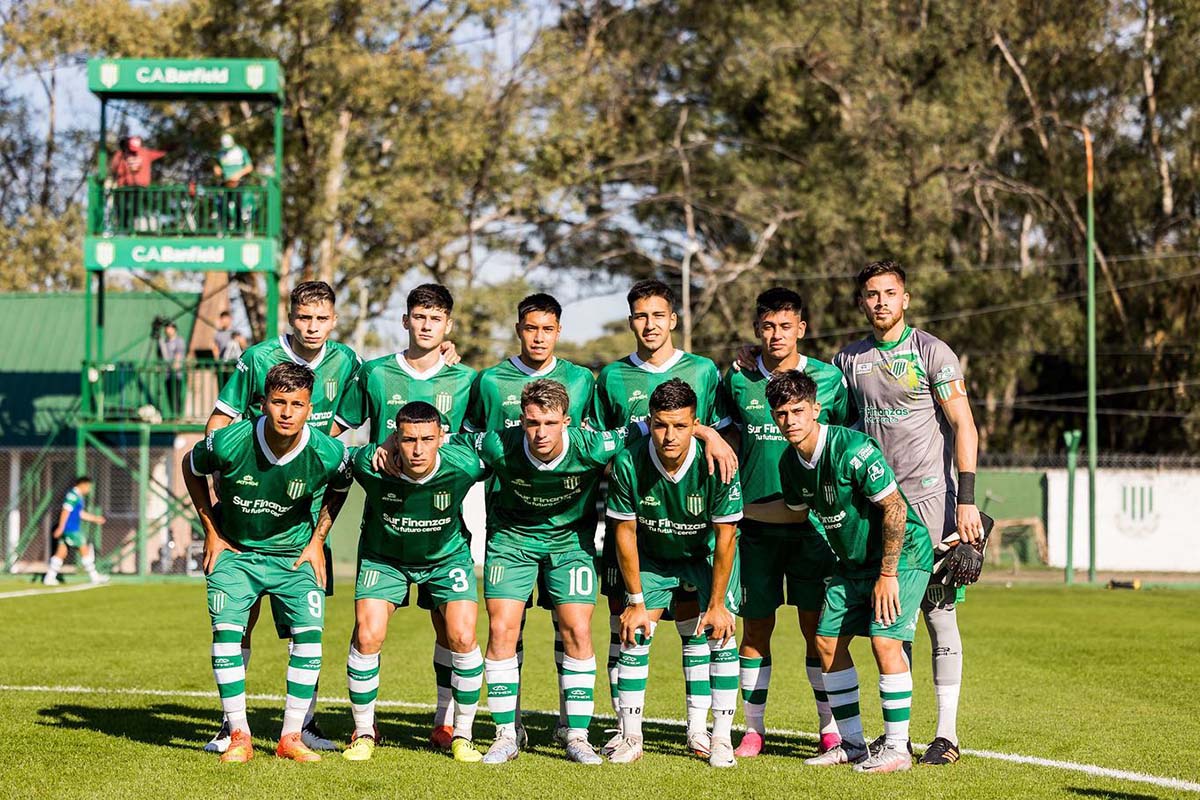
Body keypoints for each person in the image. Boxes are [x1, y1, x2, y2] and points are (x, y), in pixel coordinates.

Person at [831, 260, 984, 766]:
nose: (880, 302)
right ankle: (898, 735)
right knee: (890, 617)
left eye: (889, 293)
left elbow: (963, 425)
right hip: (877, 507)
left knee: (939, 614)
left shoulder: (931, 351)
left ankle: (947, 734)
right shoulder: (847, 359)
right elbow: (822, 411)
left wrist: (966, 499)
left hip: (931, 504)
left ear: (906, 299)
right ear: (861, 302)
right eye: (871, 294)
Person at [203, 280, 361, 754]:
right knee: (239, 618)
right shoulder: (256, 359)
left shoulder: (348, 362)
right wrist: (227, 494)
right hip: (252, 502)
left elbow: (344, 430)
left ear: (334, 320)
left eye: (321, 319)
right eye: (304, 318)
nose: (312, 327)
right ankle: (229, 725)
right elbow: (218, 422)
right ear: (291, 318)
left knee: (303, 627)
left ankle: (303, 726)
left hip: (309, 513)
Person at [756, 370, 932, 773]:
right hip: (851, 562)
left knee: (884, 644)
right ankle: (852, 744)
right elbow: (792, 512)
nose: (790, 420)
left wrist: (887, 575)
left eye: (798, 411)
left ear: (816, 409)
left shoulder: (853, 448)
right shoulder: (789, 463)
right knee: (827, 643)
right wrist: (732, 512)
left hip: (901, 555)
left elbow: (895, 508)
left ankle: (898, 748)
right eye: (781, 414)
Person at [590, 278, 734, 758]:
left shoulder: (704, 371)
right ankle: (627, 731)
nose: (649, 325)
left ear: (673, 319)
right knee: (626, 620)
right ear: (631, 321)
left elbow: (720, 428)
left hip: (695, 520)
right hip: (640, 516)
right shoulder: (611, 377)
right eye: (640, 316)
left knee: (704, 622)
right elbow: (600, 439)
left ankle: (708, 732)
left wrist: (710, 436)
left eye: (658, 315)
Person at [183, 362, 353, 764]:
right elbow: (190, 468)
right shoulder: (228, 442)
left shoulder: (327, 451)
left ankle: (291, 736)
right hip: (236, 552)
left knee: (309, 639)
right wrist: (212, 531)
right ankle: (238, 734)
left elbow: (341, 485)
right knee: (227, 634)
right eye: (279, 402)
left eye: (297, 404)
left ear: (311, 408)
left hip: (294, 556)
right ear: (263, 404)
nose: (287, 412)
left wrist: (317, 542)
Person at [334, 283, 476, 752]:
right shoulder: (374, 374)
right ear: (406, 320)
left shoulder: (466, 380)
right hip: (386, 529)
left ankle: (447, 722)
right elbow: (337, 431)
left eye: (436, 319)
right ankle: (363, 729)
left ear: (448, 325)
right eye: (419, 317)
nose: (427, 325)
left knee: (453, 630)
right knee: (368, 632)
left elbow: (480, 447)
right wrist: (372, 449)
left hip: (441, 534)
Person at [720, 287, 850, 758]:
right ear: (758, 330)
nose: (776, 335)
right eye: (768, 327)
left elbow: (844, 442)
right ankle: (753, 729)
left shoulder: (829, 380)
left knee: (818, 630)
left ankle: (830, 728)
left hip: (813, 530)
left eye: (785, 326)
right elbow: (722, 433)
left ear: (802, 328)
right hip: (754, 530)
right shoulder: (736, 379)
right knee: (755, 630)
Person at [463, 292, 596, 745]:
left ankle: (572, 732)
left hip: (570, 534)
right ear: (518, 329)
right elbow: (466, 444)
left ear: (559, 331)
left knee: (575, 627)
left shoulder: (583, 380)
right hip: (509, 531)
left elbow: (609, 439)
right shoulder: (488, 381)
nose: (538, 337)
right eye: (530, 327)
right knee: (504, 628)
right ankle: (507, 731)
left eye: (547, 329)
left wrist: (703, 432)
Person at [606, 379, 744, 769]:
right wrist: (634, 602)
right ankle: (630, 737)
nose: (670, 435)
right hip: (654, 557)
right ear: (650, 421)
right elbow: (625, 533)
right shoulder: (629, 462)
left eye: (681, 426)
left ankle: (716, 737)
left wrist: (717, 605)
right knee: (632, 632)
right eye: (662, 424)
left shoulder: (717, 462)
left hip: (705, 556)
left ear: (695, 423)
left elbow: (726, 538)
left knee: (718, 633)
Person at [341, 402, 488, 764]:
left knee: (462, 636)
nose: (418, 449)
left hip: (446, 558)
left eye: (427, 439)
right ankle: (363, 732)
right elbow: (329, 455)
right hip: (385, 558)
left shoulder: (464, 465)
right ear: (395, 438)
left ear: (441, 438)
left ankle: (460, 732)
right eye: (408, 440)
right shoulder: (370, 465)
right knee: (367, 634)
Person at [42, 476, 108, 586]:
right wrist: (61, 527)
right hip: (71, 529)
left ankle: (49, 577)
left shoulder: (78, 496)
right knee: (84, 549)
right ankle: (94, 577)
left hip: (69, 528)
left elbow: (80, 514)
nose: (89, 489)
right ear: (83, 484)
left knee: (61, 553)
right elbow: (65, 511)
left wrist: (95, 519)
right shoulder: (72, 495)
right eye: (88, 487)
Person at [108, 135, 167, 232]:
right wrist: (121, 153)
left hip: (141, 189)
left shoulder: (145, 153)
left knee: (140, 210)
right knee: (122, 210)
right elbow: (114, 167)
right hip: (124, 189)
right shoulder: (121, 154)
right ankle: (123, 229)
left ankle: (141, 229)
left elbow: (162, 153)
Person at [213, 133, 254, 232]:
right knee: (222, 206)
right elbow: (217, 166)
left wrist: (238, 175)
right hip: (225, 184)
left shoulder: (240, 151)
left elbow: (249, 167)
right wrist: (217, 170)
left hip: (238, 184)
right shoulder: (220, 153)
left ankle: (240, 230)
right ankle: (225, 229)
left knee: (239, 206)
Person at [159, 320, 187, 418]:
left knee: (176, 396)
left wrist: (175, 365)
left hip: (176, 374)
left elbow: (178, 358)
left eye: (170, 327)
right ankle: (174, 416)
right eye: (166, 328)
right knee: (170, 396)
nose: (168, 330)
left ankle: (178, 416)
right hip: (168, 375)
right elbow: (163, 357)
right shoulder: (164, 343)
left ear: (174, 329)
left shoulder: (179, 341)